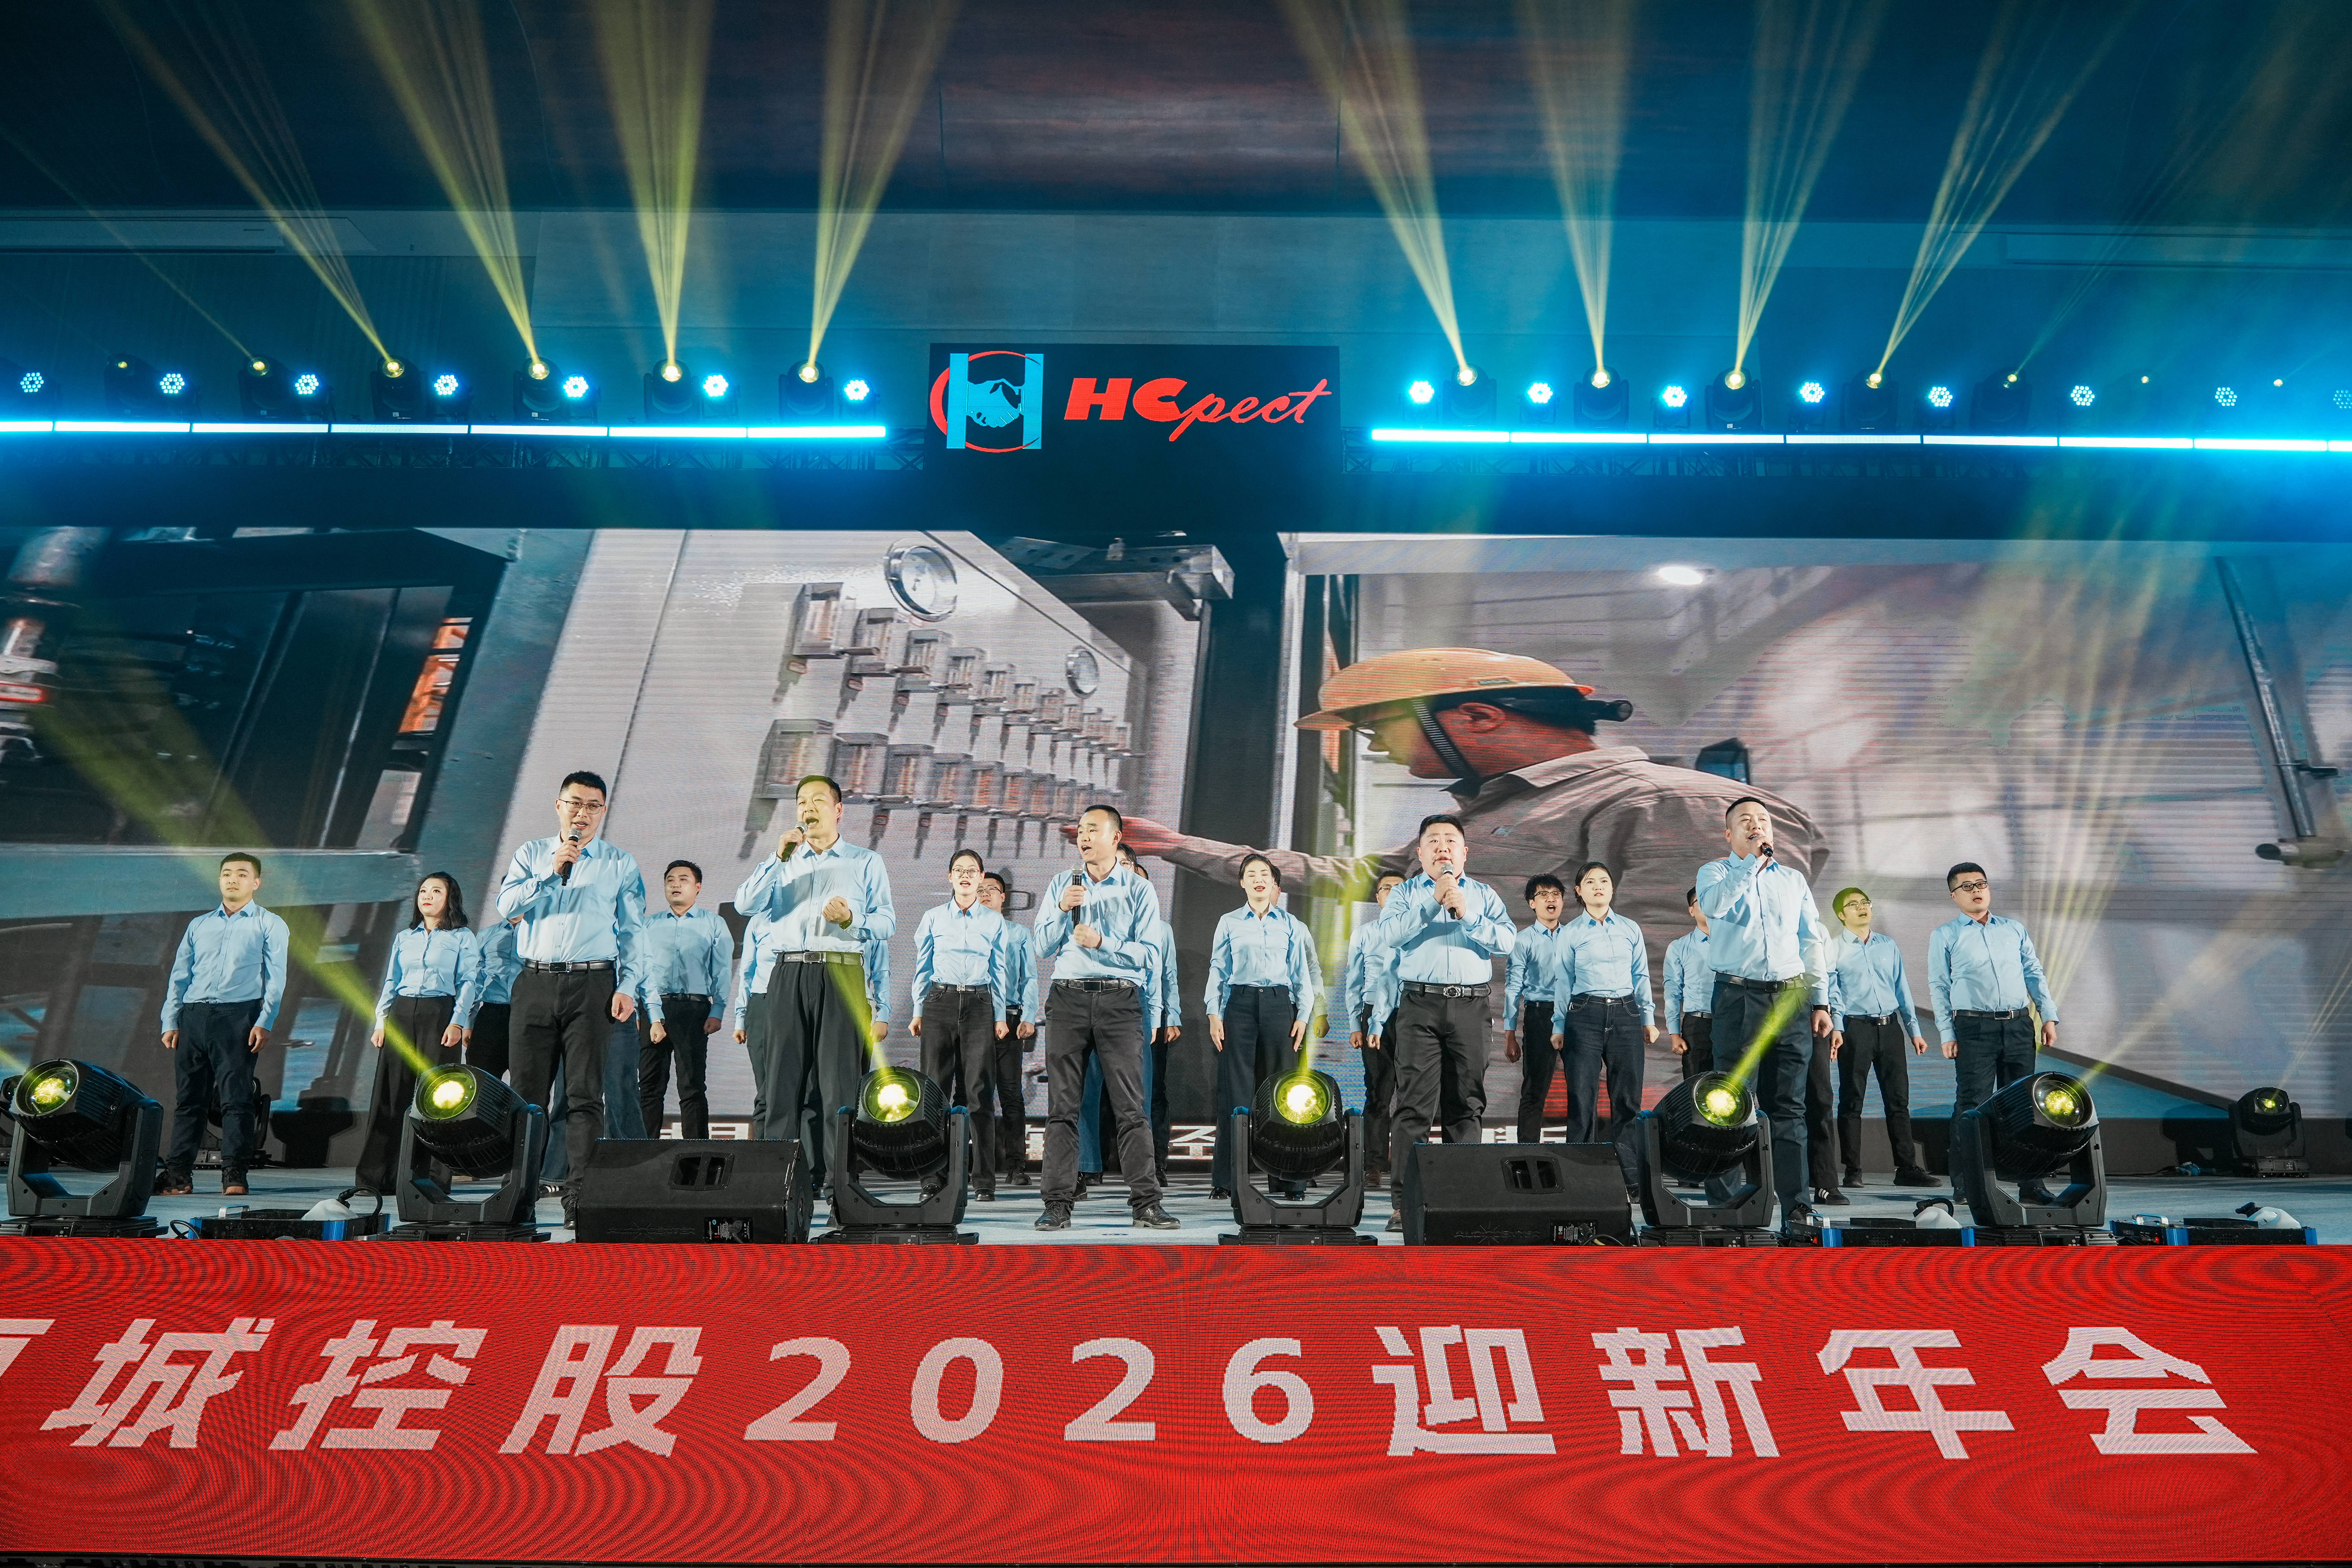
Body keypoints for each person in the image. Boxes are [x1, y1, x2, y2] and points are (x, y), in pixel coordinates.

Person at [1110, 648, 1825, 980]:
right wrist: (1175, 845)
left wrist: (1635, 1085)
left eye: (1381, 730)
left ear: (1478, 717)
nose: (1378, 750)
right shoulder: (1499, 815)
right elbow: (1353, 874)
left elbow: (1704, 971)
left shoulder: (1676, 804)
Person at [496, 771, 647, 1221]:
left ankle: (578, 1199)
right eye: (576, 803)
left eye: (593, 806)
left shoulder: (620, 864)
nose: (583, 813)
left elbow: (634, 933)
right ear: (559, 806)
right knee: (526, 1095)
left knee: (584, 1094)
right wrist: (550, 871)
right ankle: (518, 1194)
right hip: (536, 981)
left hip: (593, 983)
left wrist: (628, 986)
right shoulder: (531, 855)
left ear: (604, 811)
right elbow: (507, 906)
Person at [732, 775, 896, 1157]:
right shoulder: (783, 862)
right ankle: (778, 1178)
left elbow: (887, 924)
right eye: (802, 801)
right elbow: (745, 905)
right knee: (781, 1083)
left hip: (841, 972)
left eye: (818, 800)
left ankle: (839, 1181)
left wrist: (852, 919)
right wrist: (778, 858)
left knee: (838, 1085)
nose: (808, 808)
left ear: (838, 811)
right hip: (788, 973)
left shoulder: (866, 861)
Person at [1033, 804, 1179, 1230]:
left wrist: (1103, 943)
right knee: (1062, 1107)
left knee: (1132, 1107)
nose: (1083, 836)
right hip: (1068, 999)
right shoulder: (1062, 884)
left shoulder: (1139, 890)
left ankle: (1146, 1203)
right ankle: (1057, 1204)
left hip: (1120, 1002)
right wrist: (1062, 909)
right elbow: (1041, 946)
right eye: (1081, 830)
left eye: (1092, 829)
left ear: (1115, 838)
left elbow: (1149, 954)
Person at [1695, 796, 1832, 1226]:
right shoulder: (1715, 873)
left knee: (1790, 1107)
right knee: (1731, 1105)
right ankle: (1728, 1211)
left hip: (1791, 999)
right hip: (1739, 998)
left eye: (1763, 820)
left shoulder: (1793, 879)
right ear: (1729, 834)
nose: (1757, 826)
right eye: (1746, 821)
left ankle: (1797, 1208)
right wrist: (1750, 864)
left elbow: (1811, 940)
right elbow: (1715, 907)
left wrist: (1821, 1000)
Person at [1375, 813, 1515, 1230]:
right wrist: (1431, 902)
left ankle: (1464, 1200)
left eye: (1450, 840)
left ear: (1464, 852)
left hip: (1472, 1007)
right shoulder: (1404, 894)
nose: (1442, 847)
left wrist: (1467, 915)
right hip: (1420, 1006)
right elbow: (1391, 936)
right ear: (1420, 854)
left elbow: (1507, 941)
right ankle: (1404, 1203)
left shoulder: (1484, 895)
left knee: (1466, 1106)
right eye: (1433, 841)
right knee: (1414, 1106)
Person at [156, 852, 289, 1197]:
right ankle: (178, 1176)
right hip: (194, 1016)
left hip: (238, 1017)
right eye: (227, 873)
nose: (233, 879)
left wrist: (265, 1020)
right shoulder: (199, 925)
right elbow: (180, 975)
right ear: (219, 880)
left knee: (237, 1100)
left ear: (256, 882)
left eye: (242, 874)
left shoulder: (269, 923)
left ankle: (234, 1175)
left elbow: (276, 979)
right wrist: (171, 1019)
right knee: (189, 1101)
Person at [356, 873, 481, 1195]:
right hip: (401, 1013)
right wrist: (381, 1022)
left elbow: (469, 982)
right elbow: (391, 980)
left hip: (440, 1015)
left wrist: (458, 1022)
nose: (427, 896)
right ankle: (376, 1178)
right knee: (389, 1095)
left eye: (436, 891)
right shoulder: (404, 937)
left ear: (450, 899)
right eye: (423, 890)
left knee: (438, 1098)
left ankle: (433, 1178)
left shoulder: (462, 937)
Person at [1206, 852, 1322, 1198]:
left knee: (1284, 1095)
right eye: (1252, 874)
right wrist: (1214, 1013)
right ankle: (1227, 1181)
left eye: (1265, 875)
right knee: (1236, 1095)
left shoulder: (1291, 924)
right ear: (1242, 882)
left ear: (1274, 883)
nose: (1259, 879)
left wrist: (1303, 1015)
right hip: (1239, 1006)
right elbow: (1218, 969)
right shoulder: (1229, 922)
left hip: (1278, 1006)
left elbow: (1301, 973)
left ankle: (1289, 1180)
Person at [910, 848, 1012, 1200]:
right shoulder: (934, 918)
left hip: (980, 1004)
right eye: (959, 870)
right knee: (934, 1093)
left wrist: (1000, 1016)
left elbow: (999, 971)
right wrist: (918, 1011)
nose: (965, 876)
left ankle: (983, 1181)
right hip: (940, 1001)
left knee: (979, 1094)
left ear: (982, 877)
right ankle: (932, 1178)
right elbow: (923, 967)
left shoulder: (994, 922)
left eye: (972, 871)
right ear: (950, 877)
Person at [1929, 862, 2060, 1121]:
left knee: (2022, 1103)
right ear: (1954, 896)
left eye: (1981, 884)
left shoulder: (2014, 929)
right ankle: (1968, 1151)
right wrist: (1946, 1033)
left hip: (2019, 1026)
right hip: (1974, 1029)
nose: (1976, 890)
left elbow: (2034, 974)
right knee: (1973, 1102)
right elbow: (1940, 986)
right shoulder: (1945, 935)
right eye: (1967, 887)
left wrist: (2048, 1017)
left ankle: (2013, 1152)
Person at [1556, 860, 1656, 1193]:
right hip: (1584, 1014)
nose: (1598, 886)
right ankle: (1579, 1181)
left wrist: (1648, 1019)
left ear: (1613, 888)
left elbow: (1641, 975)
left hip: (1626, 1013)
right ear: (1579, 891)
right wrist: (1559, 1025)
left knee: (1628, 1099)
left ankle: (1630, 1180)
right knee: (1582, 1097)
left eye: (1604, 881)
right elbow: (1563, 982)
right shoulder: (1571, 932)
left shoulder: (1630, 928)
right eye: (1590, 882)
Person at [1826, 886, 1935, 1189]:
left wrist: (1914, 1031)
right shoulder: (1833, 948)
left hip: (1890, 1029)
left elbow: (1902, 989)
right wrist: (1837, 1028)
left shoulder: (1888, 945)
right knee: (1852, 1100)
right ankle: (1853, 1170)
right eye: (1854, 904)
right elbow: (1833, 993)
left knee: (1898, 1100)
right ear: (1841, 915)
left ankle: (1907, 1167)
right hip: (1854, 1029)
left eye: (1865, 902)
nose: (1862, 908)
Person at [637, 860, 733, 1141]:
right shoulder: (649, 925)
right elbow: (640, 971)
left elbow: (722, 971)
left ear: (698, 887)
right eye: (670, 880)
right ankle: (643, 1150)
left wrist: (718, 1010)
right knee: (650, 1086)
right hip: (654, 1008)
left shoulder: (714, 923)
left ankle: (695, 1152)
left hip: (694, 1009)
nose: (675, 885)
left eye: (683, 880)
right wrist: (646, 1014)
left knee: (692, 1086)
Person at [1332, 871, 1404, 1186]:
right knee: (1378, 1091)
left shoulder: (1421, 930)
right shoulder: (1364, 933)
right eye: (1386, 888)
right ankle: (1374, 1164)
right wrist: (1355, 1024)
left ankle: (1411, 1162)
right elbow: (1354, 981)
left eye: (1399, 888)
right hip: (1374, 1013)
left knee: (1415, 1094)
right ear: (1377, 897)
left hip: (1415, 1013)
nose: (1392, 892)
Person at [977, 870, 1037, 1184]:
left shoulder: (1018, 933)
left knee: (1011, 1093)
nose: (985, 894)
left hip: (1011, 1020)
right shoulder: (965, 933)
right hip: (974, 1017)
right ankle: (974, 1166)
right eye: (980, 890)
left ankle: (1016, 1166)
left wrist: (1029, 1015)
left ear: (1004, 897)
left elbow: (1030, 978)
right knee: (973, 1094)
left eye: (992, 889)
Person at [1503, 873, 1571, 1145]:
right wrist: (1510, 1034)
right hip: (1540, 1015)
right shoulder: (1523, 940)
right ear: (1532, 903)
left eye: (1556, 894)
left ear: (1563, 901)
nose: (1551, 899)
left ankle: (1583, 1152)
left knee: (1582, 1088)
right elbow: (1513, 987)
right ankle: (1528, 1152)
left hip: (1576, 1014)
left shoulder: (1576, 936)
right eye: (1543, 895)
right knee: (1535, 1089)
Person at [1661, 889, 1715, 1084]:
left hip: (1734, 1023)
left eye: (1713, 900)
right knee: (1697, 1089)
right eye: (1702, 901)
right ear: (1691, 910)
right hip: (1698, 1025)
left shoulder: (1738, 944)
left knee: (1734, 1089)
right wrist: (1675, 1034)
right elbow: (1672, 992)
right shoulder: (1679, 947)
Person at [468, 916, 523, 1080]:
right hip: (491, 1014)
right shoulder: (486, 934)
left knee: (526, 1082)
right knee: (481, 1080)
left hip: (527, 1015)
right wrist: (468, 1022)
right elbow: (475, 979)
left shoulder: (541, 934)